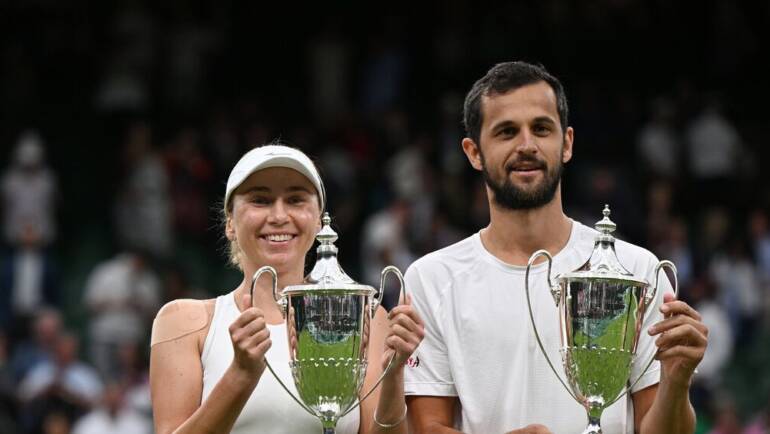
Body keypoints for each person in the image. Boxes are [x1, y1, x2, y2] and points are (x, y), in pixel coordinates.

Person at [403, 62, 708, 434]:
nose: (527, 145)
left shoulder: (636, 272)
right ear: (474, 152)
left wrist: (677, 383)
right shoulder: (432, 279)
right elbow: (425, 427)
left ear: (566, 143)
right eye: (507, 132)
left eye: (542, 128)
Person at [150, 143, 424, 434]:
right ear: (230, 222)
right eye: (260, 200)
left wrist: (393, 377)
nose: (279, 216)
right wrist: (240, 376)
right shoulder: (184, 322)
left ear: (319, 221)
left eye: (295, 200)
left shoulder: (366, 317)